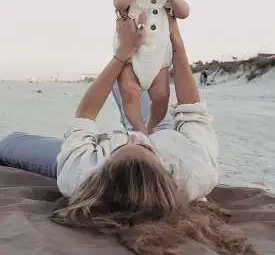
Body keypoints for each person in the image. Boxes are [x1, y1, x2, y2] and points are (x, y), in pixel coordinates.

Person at [51, 14, 254, 255]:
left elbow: (85, 114)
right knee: (145, 85)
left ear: (103, 168)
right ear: (166, 169)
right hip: (162, 131)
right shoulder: (194, 172)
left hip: (95, 148)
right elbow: (191, 109)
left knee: (14, 144)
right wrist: (175, 40)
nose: (136, 136)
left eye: (125, 146)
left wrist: (122, 53)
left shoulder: (79, 176)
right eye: (145, 146)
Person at [112, 0, 189, 135]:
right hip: (131, 57)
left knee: (162, 95)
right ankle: (138, 128)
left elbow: (184, 13)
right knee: (128, 93)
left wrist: (175, 0)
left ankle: (152, 124)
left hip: (158, 57)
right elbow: (119, 3)